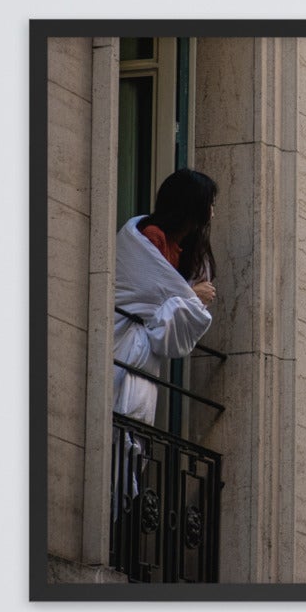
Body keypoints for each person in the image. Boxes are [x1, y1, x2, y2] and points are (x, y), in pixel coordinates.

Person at [113, 168, 218, 426]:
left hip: (146, 352)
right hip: (126, 339)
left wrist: (186, 298)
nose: (213, 211)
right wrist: (192, 296)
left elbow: (167, 299)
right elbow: (148, 293)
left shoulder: (182, 248)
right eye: (210, 204)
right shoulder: (153, 237)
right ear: (193, 205)